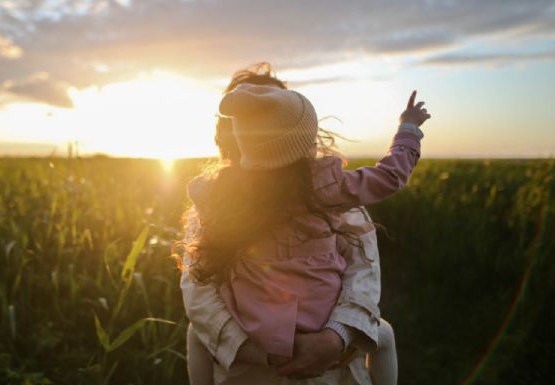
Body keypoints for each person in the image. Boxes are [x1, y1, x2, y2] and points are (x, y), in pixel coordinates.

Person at [179, 64, 429, 384]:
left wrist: (333, 338)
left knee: (194, 334)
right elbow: (390, 176)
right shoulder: (331, 189)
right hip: (266, 355)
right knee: (386, 335)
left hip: (291, 344)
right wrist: (408, 129)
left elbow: (362, 275)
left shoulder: (219, 196)